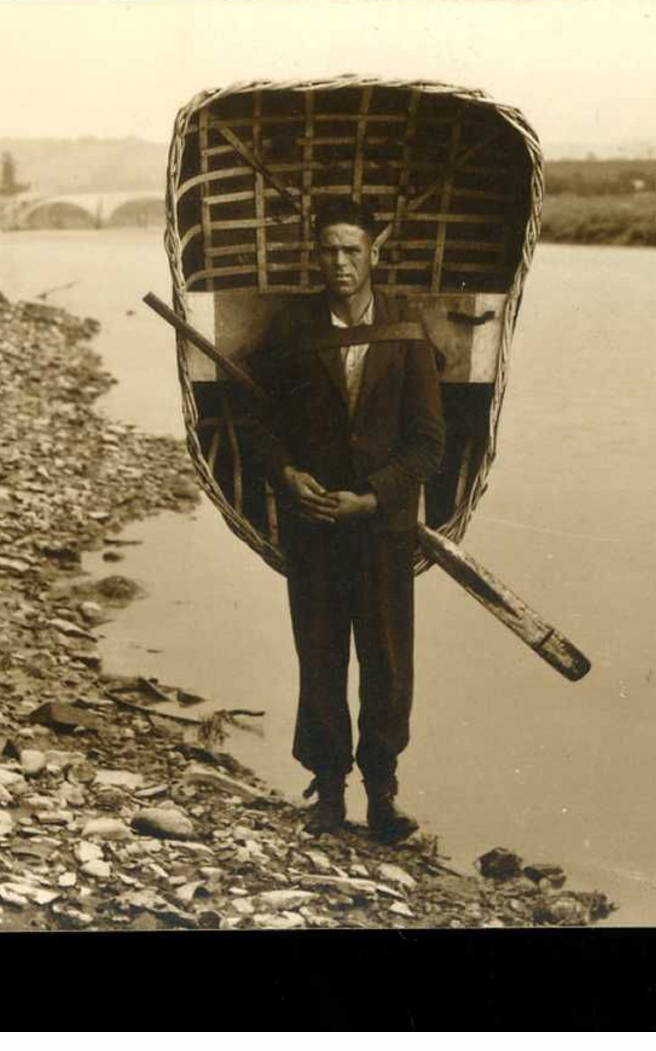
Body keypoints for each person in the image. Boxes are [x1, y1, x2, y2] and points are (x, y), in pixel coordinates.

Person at [247, 198, 446, 841]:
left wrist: (376, 495)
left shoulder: (408, 334)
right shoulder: (294, 330)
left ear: (374, 253)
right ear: (316, 254)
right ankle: (329, 794)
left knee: (387, 663)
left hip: (382, 531)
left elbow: (428, 443)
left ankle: (382, 796)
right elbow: (262, 424)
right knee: (321, 655)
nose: (339, 263)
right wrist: (285, 475)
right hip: (314, 528)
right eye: (328, 251)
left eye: (351, 251)